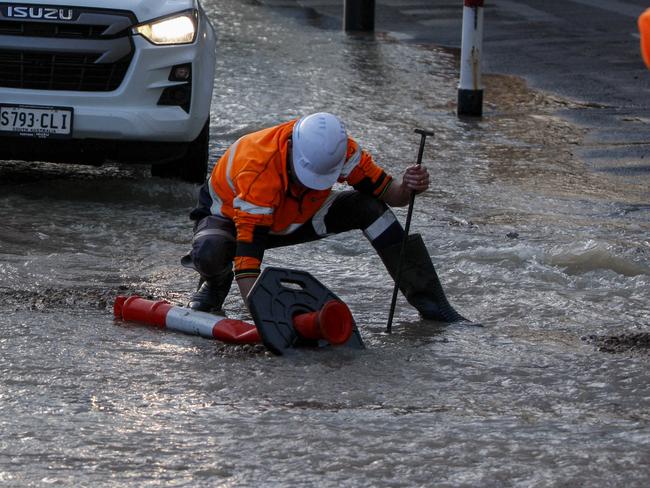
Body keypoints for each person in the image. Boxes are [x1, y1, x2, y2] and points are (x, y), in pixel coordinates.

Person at [181, 112, 468, 323]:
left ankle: (432, 305)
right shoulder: (258, 170)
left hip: (294, 215)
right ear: (292, 150)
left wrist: (408, 186)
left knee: (371, 209)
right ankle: (216, 283)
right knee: (210, 252)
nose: (312, 183)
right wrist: (267, 321)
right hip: (230, 218)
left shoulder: (341, 151)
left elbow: (391, 195)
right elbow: (248, 262)